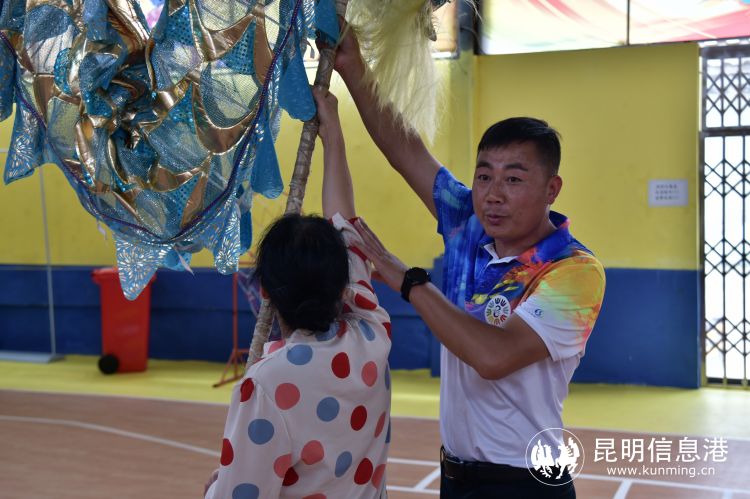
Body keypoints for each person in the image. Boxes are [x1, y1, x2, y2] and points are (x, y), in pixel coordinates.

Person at [334, 28, 606, 498]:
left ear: (552, 189)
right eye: (484, 177)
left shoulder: (574, 272)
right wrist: (353, 70)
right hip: (457, 476)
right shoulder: (469, 226)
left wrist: (409, 281)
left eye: (513, 179)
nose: (493, 194)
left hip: (524, 483)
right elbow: (407, 151)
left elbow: (493, 357)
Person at [203, 86, 391, 499]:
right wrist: (333, 135)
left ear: (265, 291)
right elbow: (345, 225)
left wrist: (214, 489)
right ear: (345, 284)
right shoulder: (372, 336)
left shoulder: (266, 383)